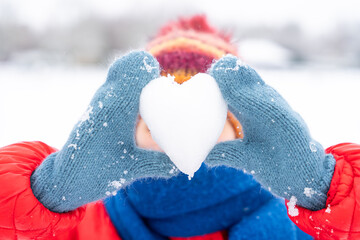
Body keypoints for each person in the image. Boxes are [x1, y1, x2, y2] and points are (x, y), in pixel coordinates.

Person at [0, 15, 359, 240]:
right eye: (152, 114)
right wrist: (41, 196)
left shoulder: (306, 222)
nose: (175, 127)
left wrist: (332, 191)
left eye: (210, 113)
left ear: (240, 126)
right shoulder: (74, 219)